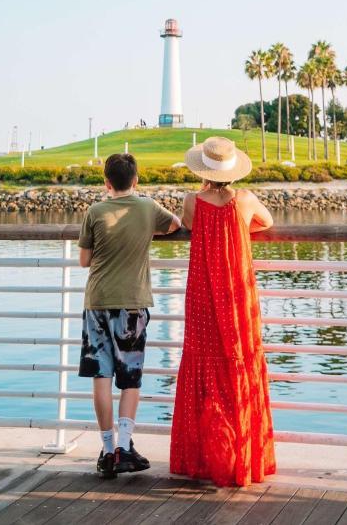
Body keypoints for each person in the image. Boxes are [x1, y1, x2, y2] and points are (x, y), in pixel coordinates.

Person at [170, 136, 276, 487]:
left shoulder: (191, 201)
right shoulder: (244, 200)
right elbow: (268, 222)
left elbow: (187, 225)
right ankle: (243, 456)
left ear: (203, 170)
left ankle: (204, 458)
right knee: (238, 362)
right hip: (237, 293)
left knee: (205, 364)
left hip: (202, 292)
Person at [78, 153, 181, 480]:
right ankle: (125, 446)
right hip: (132, 305)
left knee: (101, 376)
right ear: (135, 180)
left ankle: (108, 451)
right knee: (130, 375)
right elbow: (176, 224)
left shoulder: (95, 211)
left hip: (96, 302)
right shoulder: (148, 208)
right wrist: (147, 233)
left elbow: (84, 260)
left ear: (106, 182)